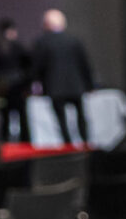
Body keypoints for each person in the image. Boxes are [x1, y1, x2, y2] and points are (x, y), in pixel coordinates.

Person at [31, 8, 95, 146]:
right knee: (80, 115)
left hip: (55, 87)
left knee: (61, 119)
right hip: (76, 85)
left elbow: (37, 67)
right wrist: (90, 84)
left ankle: (68, 145)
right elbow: (85, 65)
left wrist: (36, 84)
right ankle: (86, 142)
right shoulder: (74, 40)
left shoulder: (42, 42)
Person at [0, 18, 35, 145]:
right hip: (15, 89)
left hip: (8, 89)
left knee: (8, 119)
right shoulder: (17, 47)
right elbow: (28, 68)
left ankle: (7, 143)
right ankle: (24, 143)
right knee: (18, 118)